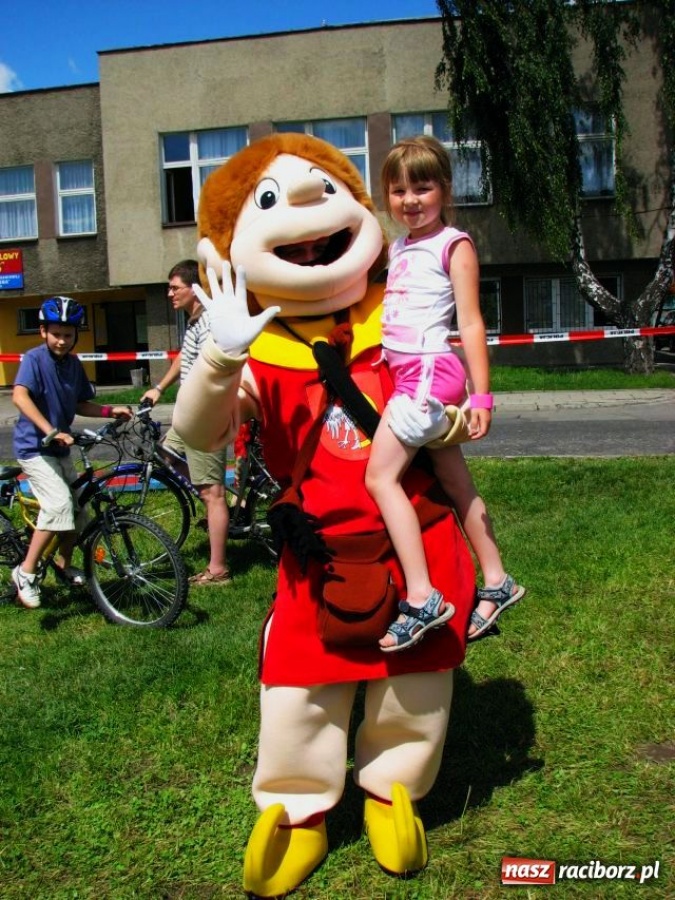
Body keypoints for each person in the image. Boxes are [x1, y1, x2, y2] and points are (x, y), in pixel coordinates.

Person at [365, 135, 525, 650]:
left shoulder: (454, 244)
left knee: (380, 477)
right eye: (398, 190)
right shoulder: (399, 246)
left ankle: (422, 597)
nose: (410, 200)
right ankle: (498, 581)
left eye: (422, 187)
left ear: (446, 190)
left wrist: (482, 397)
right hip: (409, 375)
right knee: (456, 483)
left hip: (430, 375)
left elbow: (472, 323)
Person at [12, 296, 132, 609]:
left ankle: (63, 565)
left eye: (68, 334)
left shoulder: (73, 364)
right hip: (34, 448)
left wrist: (109, 410)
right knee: (58, 506)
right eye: (56, 334)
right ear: (42, 331)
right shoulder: (34, 359)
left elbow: (80, 403)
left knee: (78, 513)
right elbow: (20, 397)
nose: (62, 340)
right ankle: (25, 573)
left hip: (60, 449)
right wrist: (50, 430)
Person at [141, 260, 230, 585]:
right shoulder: (194, 322)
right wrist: (159, 388)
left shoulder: (210, 321)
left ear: (195, 288)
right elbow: (184, 357)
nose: (169, 294)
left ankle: (218, 569)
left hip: (206, 416)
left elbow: (217, 366)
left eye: (174, 287)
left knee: (212, 493)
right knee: (164, 456)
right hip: (189, 416)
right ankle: (219, 502)